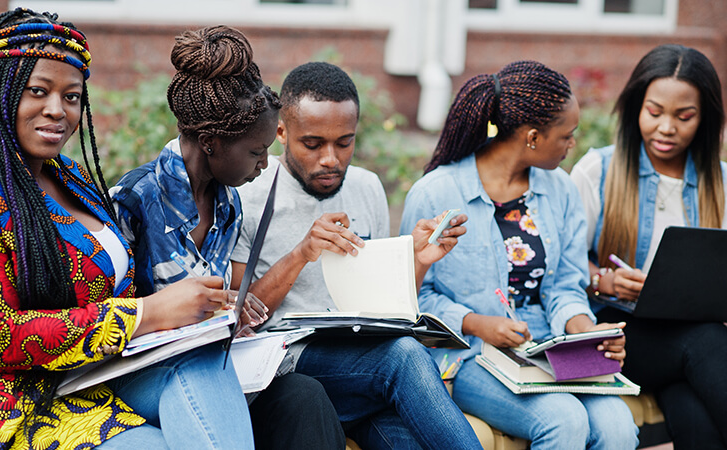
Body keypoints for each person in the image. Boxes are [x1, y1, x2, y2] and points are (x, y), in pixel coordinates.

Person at [0, 9, 266, 449]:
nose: (57, 110)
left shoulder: (68, 175)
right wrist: (147, 314)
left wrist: (197, 316)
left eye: (71, 97)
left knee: (205, 365)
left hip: (94, 373)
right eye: (37, 91)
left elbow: (109, 289)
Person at [110, 26, 345, 449]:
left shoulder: (228, 205)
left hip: (215, 360)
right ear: (210, 142)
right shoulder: (134, 200)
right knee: (206, 379)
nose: (264, 165)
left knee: (304, 396)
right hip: (146, 371)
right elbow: (106, 317)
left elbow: (213, 301)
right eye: (257, 153)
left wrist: (234, 308)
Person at [230, 61, 481, 450]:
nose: (330, 158)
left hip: (362, 363)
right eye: (312, 144)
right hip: (288, 362)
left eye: (344, 142)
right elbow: (241, 313)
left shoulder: (366, 187)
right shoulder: (249, 194)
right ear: (281, 132)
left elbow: (384, 306)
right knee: (405, 358)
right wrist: (301, 253)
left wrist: (418, 260)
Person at [400, 60, 639, 449]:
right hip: (470, 355)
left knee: (618, 427)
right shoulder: (435, 194)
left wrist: (584, 330)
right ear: (531, 137)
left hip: (550, 349)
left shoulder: (560, 190)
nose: (571, 144)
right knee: (564, 422)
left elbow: (566, 284)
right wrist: (477, 323)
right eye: (566, 136)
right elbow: (411, 299)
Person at [570, 44, 727, 449]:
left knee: (699, 419)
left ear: (704, 117)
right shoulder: (598, 170)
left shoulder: (722, 182)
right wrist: (605, 281)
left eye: (684, 116)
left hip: (689, 348)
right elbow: (561, 264)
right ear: (636, 106)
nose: (666, 128)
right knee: (705, 341)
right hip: (620, 335)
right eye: (654, 112)